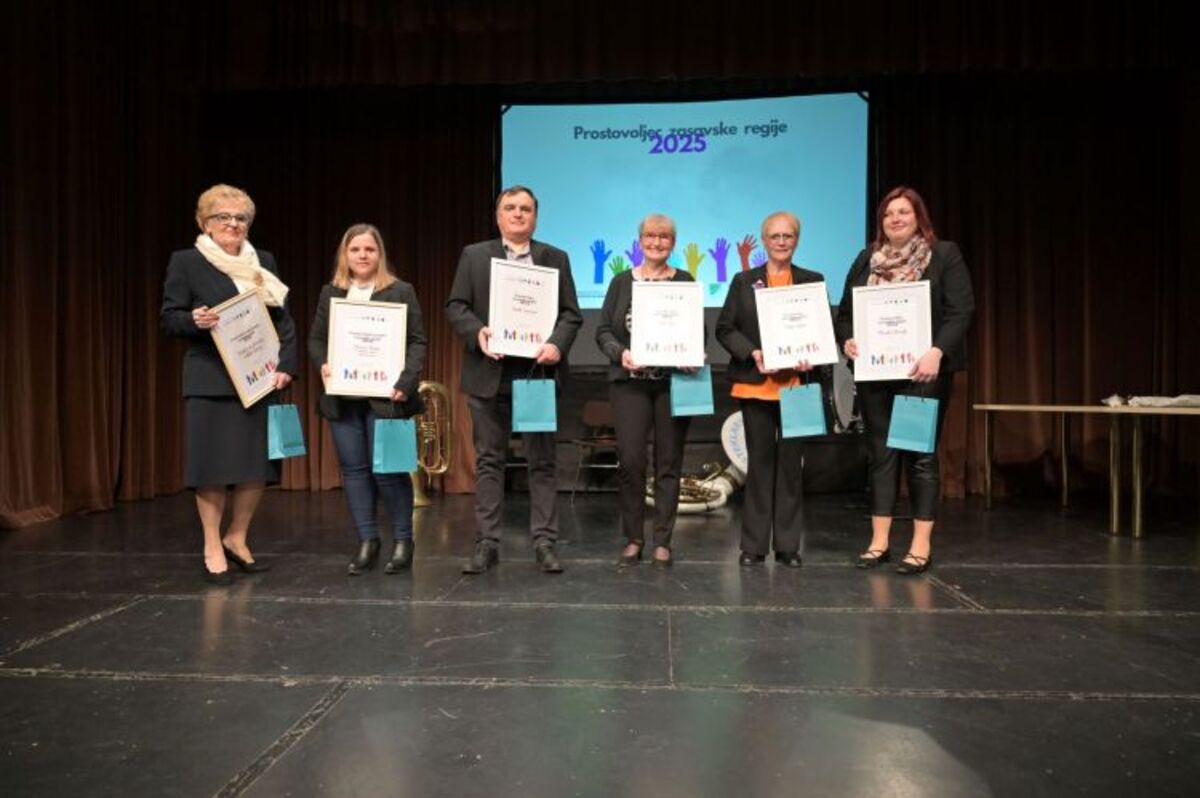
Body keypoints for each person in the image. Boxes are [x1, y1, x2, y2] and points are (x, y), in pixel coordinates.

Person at [160, 184, 298, 584]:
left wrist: (287, 366)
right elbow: (169, 317)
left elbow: (282, 320)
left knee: (257, 466)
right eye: (223, 217)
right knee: (212, 467)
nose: (233, 224)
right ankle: (211, 544)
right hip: (210, 380)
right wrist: (193, 319)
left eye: (241, 218)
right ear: (205, 223)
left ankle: (237, 537)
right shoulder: (187, 262)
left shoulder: (263, 261)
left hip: (259, 379)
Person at [835, 186, 975, 575]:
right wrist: (847, 340)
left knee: (919, 456)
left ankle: (920, 545)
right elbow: (845, 313)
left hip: (922, 373)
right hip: (876, 373)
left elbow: (961, 310)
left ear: (918, 218)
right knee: (880, 455)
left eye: (903, 212)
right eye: (888, 213)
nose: (895, 219)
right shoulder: (866, 259)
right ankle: (879, 542)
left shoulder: (942, 254)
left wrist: (937, 351)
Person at [446, 186, 582, 574]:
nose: (518, 214)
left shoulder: (555, 258)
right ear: (498, 216)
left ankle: (545, 542)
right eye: (510, 208)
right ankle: (487, 543)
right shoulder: (475, 255)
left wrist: (556, 344)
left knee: (542, 462)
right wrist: (478, 332)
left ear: (535, 217)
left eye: (525, 209)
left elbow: (571, 314)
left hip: (537, 375)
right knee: (490, 461)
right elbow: (456, 306)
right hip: (489, 374)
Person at [309, 224, 428, 575]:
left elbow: (417, 341)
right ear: (345, 255)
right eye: (355, 249)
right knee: (355, 471)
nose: (362, 255)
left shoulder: (400, 291)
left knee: (388, 471)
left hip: (388, 398)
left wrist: (406, 381)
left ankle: (403, 541)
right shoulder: (331, 293)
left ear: (380, 254)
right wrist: (324, 363)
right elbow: (316, 339)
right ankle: (367, 541)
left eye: (369, 249)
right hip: (344, 398)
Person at [716, 211, 825, 568]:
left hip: (797, 387)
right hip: (756, 387)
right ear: (764, 241)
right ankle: (753, 546)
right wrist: (753, 352)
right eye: (775, 236)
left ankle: (789, 546)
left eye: (787, 236)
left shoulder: (812, 280)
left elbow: (821, 330)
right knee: (760, 468)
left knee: (791, 469)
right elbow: (725, 328)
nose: (781, 242)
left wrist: (812, 356)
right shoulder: (744, 280)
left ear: (797, 240)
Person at [595, 214, 697, 568]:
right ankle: (634, 537)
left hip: (673, 383)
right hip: (630, 385)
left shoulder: (684, 281)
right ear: (640, 241)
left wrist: (692, 353)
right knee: (632, 460)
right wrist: (620, 353)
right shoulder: (622, 282)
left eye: (664, 237)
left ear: (673, 243)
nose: (657, 242)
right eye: (651, 236)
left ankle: (663, 540)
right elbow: (603, 331)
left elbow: (695, 330)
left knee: (669, 462)